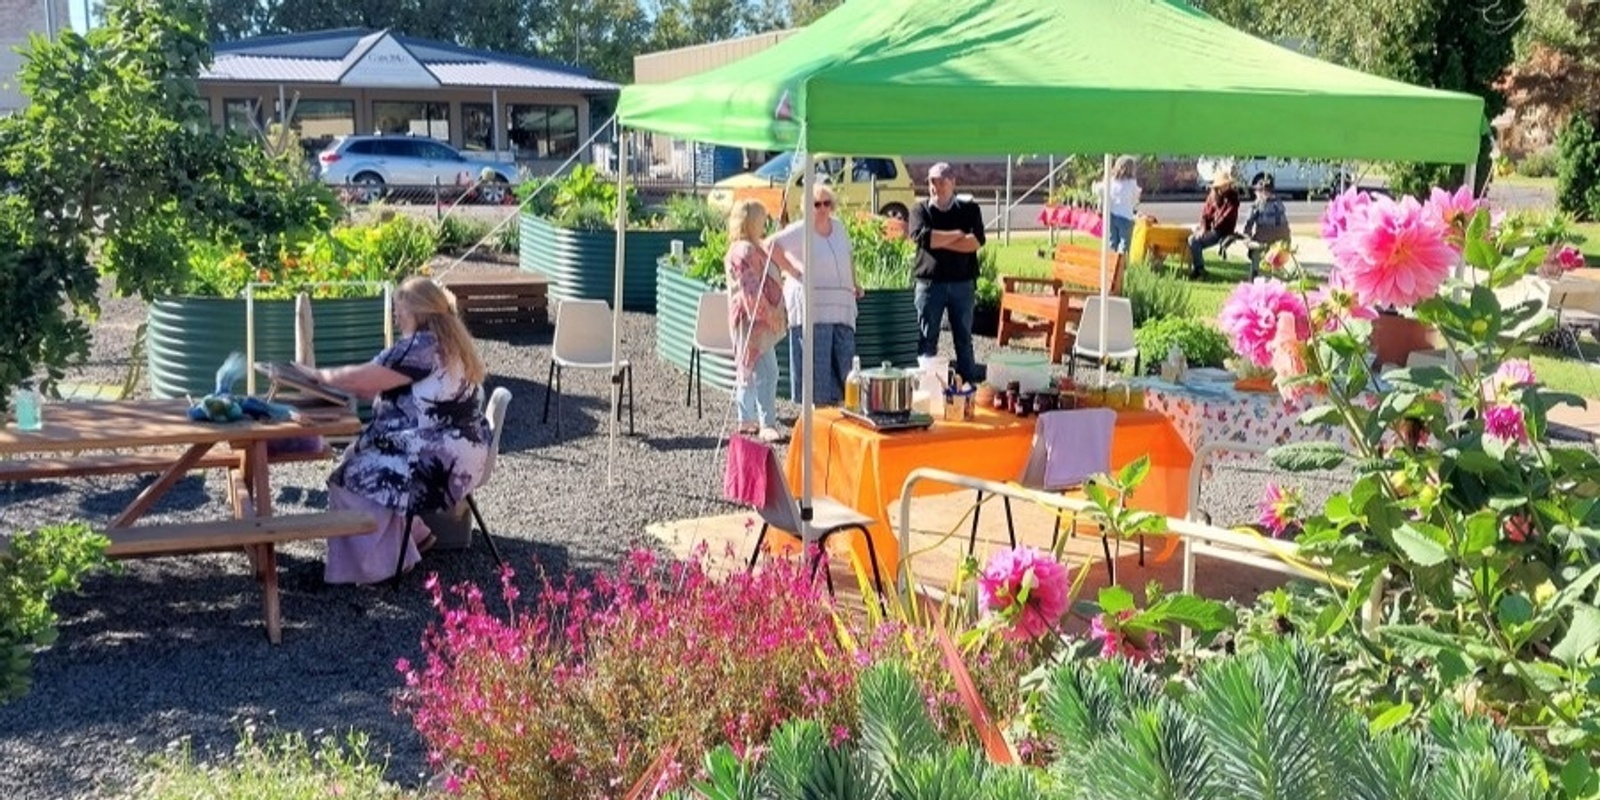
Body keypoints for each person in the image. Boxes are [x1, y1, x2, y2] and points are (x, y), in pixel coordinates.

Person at [318, 277, 492, 585]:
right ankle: (416, 535)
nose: (397, 316)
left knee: (346, 478)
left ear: (419, 313)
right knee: (357, 454)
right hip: (468, 457)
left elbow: (362, 380)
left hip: (434, 464)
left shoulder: (421, 347)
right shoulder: (453, 344)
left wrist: (314, 376)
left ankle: (383, 565)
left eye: (400, 310)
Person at [768, 184, 861, 406]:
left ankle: (842, 406)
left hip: (841, 304)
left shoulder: (838, 227)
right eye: (816, 204)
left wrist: (855, 283)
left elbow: (848, 257)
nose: (821, 208)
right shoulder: (800, 229)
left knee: (845, 358)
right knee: (817, 361)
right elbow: (770, 244)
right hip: (813, 304)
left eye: (826, 203)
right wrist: (792, 269)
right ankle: (817, 411)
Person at [908, 162, 986, 384]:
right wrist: (958, 234)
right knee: (926, 339)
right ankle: (926, 386)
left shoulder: (970, 210)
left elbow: (975, 242)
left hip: (962, 284)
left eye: (942, 181)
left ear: (953, 183)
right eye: (933, 181)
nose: (937, 186)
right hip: (930, 285)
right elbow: (924, 238)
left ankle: (967, 387)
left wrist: (940, 240)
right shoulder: (919, 210)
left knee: (963, 339)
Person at [725, 199, 796, 441]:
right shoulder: (744, 251)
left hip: (754, 318)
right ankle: (766, 423)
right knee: (766, 370)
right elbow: (751, 291)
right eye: (762, 217)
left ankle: (748, 420)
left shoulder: (750, 247)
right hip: (752, 320)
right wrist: (770, 316)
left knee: (749, 368)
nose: (765, 222)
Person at [1188, 173, 1241, 279]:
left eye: (1227, 184)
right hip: (1212, 229)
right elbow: (1205, 215)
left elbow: (1226, 217)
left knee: (1194, 241)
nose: (1226, 187)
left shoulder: (1233, 198)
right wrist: (1203, 228)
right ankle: (1199, 268)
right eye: (1223, 185)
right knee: (1191, 238)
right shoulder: (1212, 197)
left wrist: (1212, 227)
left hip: (1223, 231)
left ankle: (1199, 269)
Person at [1241, 173, 1292, 278]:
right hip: (1280, 242)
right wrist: (1287, 240)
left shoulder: (1258, 205)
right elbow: (1285, 225)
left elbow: (1249, 223)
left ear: (1263, 192)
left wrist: (1247, 238)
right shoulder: (1279, 204)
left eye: (1257, 191)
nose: (1255, 193)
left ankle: (1254, 278)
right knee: (1275, 269)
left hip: (1264, 242)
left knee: (1257, 261)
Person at [1092, 155, 1142, 255]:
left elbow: (1099, 190)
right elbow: (1136, 198)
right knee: (1124, 243)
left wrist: (1094, 186)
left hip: (1111, 215)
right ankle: (1121, 265)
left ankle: (1111, 264)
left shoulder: (1111, 180)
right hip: (1126, 217)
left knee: (1112, 242)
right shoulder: (1132, 183)